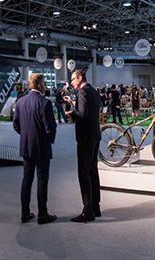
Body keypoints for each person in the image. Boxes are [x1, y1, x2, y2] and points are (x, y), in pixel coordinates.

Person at [13, 73, 57, 225]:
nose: (45, 86)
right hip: (42, 147)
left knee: (27, 179)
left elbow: (16, 125)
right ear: (39, 85)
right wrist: (49, 140)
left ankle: (25, 214)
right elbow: (50, 127)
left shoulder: (20, 102)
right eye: (44, 83)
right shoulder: (44, 103)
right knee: (42, 180)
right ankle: (42, 214)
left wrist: (26, 136)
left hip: (26, 146)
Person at [63, 69, 101, 223]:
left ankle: (87, 210)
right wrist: (74, 102)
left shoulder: (83, 92)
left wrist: (71, 114)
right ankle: (95, 207)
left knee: (84, 173)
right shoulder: (92, 91)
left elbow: (82, 115)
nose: (71, 82)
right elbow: (90, 109)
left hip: (86, 138)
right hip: (95, 136)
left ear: (79, 78)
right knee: (93, 171)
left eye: (73, 79)